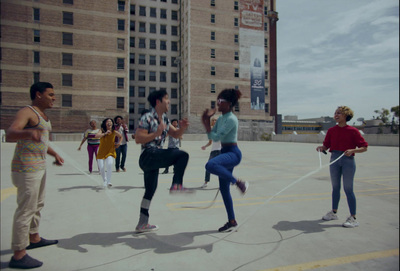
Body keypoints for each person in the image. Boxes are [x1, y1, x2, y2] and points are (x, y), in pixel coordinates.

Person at [6, 82, 64, 269]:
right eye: (51, 94)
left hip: (39, 167)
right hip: (26, 168)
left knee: (37, 205)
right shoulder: (27, 112)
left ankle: (34, 237)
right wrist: (29, 132)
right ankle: (19, 254)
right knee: (26, 209)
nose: (54, 98)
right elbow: (10, 134)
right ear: (38, 95)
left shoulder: (44, 117)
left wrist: (53, 153)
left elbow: (41, 141)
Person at [134, 89, 192, 233]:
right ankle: (176, 185)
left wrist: (182, 128)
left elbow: (176, 134)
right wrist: (156, 133)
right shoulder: (147, 117)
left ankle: (142, 223)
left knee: (150, 191)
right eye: (166, 98)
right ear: (158, 101)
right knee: (181, 155)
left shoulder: (165, 119)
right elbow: (138, 138)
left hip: (155, 158)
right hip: (148, 155)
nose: (169, 101)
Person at [201, 88, 249, 232]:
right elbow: (212, 136)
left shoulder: (232, 119)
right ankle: (232, 221)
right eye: (217, 101)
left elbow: (216, 136)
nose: (218, 104)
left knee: (210, 165)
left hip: (233, 153)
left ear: (228, 104)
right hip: (224, 152)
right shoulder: (221, 119)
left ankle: (239, 182)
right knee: (223, 189)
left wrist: (206, 121)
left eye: (220, 101)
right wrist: (206, 121)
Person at [316, 106, 368, 228]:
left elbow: (364, 147)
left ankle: (353, 217)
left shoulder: (353, 131)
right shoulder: (331, 131)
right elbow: (326, 146)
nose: (336, 115)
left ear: (346, 116)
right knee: (335, 187)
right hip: (334, 159)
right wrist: (322, 148)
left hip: (348, 160)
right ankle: (334, 212)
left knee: (348, 189)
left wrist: (353, 150)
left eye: (339, 113)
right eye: (335, 113)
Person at [95, 118, 122, 188]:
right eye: (107, 122)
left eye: (110, 121)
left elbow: (121, 136)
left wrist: (119, 143)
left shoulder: (114, 131)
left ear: (112, 124)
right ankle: (104, 180)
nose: (109, 123)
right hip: (101, 152)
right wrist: (105, 133)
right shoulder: (101, 130)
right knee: (101, 168)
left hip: (110, 151)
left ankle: (109, 181)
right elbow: (96, 136)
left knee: (109, 164)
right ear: (105, 124)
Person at [200, 118, 221, 188]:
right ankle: (206, 182)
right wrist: (205, 146)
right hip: (213, 151)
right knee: (208, 166)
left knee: (222, 168)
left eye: (216, 121)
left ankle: (224, 182)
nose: (214, 122)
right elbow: (210, 142)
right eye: (213, 121)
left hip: (221, 151)